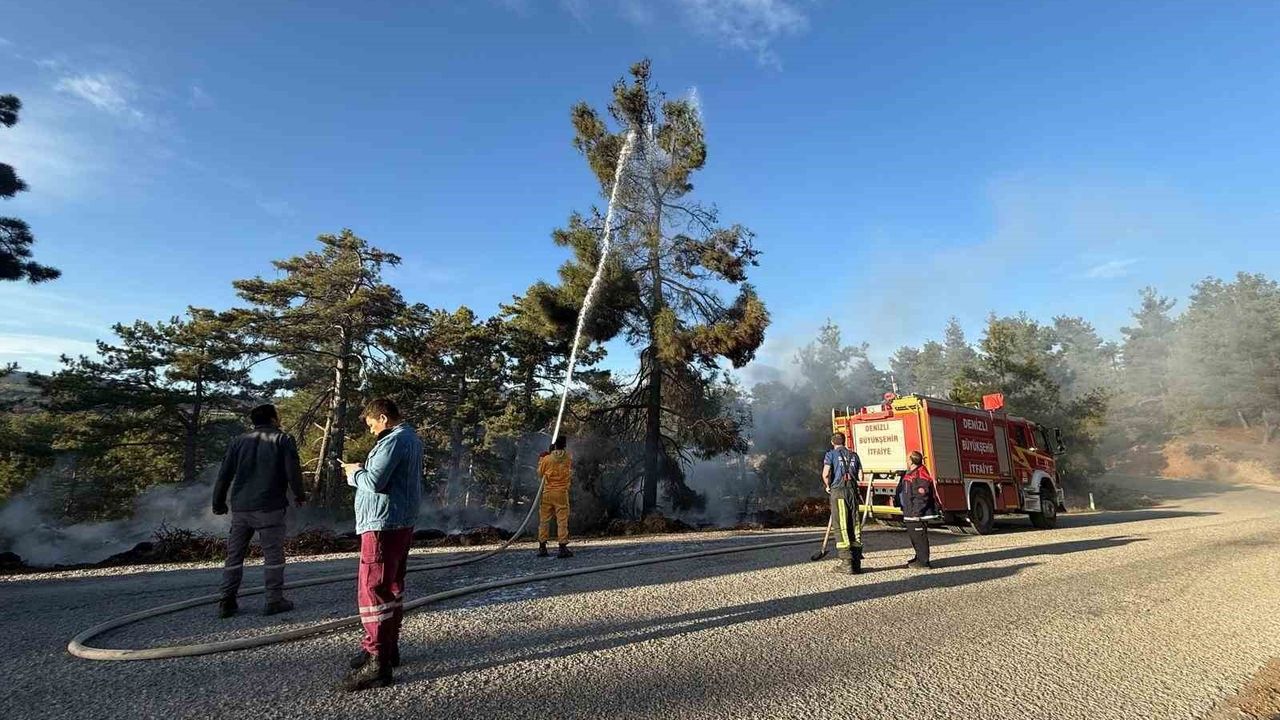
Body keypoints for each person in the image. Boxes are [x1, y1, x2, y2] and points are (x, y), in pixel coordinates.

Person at [338, 397, 423, 692]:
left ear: (384, 418)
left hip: (382, 525)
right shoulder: (411, 438)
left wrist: (354, 473)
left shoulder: (393, 441)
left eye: (372, 423)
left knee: (373, 590)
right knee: (392, 588)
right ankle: (387, 646)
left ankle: (378, 661)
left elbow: (375, 483)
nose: (372, 430)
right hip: (400, 521)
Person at [211, 403, 307, 619]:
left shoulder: (238, 442)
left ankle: (227, 601)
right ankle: (274, 600)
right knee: (273, 554)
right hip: (270, 506)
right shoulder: (283, 439)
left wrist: (218, 502)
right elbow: (293, 471)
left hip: (241, 508)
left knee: (234, 555)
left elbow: (224, 474)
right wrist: (300, 494)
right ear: (273, 419)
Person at [822, 432, 864, 574]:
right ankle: (856, 562)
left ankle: (846, 563)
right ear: (844, 442)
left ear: (833, 442)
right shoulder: (854, 455)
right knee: (854, 524)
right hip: (853, 492)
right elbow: (861, 476)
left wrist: (828, 486)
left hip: (838, 492)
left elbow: (826, 474)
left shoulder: (830, 455)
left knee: (841, 525)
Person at [896, 450, 940, 570]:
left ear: (911, 460)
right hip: (910, 512)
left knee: (919, 537)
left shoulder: (920, 474)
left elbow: (922, 496)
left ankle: (923, 562)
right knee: (914, 537)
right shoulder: (911, 473)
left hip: (917, 514)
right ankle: (918, 557)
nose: (906, 460)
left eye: (907, 458)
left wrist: (916, 512)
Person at [536, 435, 574, 559]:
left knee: (544, 520)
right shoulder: (568, 457)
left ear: (554, 445)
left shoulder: (547, 459)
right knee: (562, 521)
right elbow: (563, 460)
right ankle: (562, 547)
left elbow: (540, 473)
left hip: (547, 493)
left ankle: (542, 547)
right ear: (565, 445)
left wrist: (543, 458)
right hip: (561, 493)